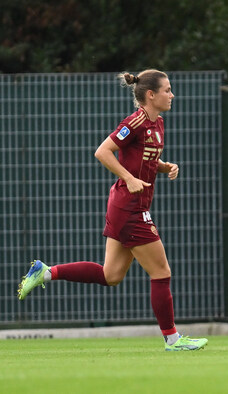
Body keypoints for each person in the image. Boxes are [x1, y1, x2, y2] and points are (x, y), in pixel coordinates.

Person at [17, 69, 208, 351]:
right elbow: (103, 151)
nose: (172, 94)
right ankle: (173, 340)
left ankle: (46, 272)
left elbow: (143, 156)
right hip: (130, 208)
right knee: (161, 271)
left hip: (127, 207)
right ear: (150, 95)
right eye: (167, 90)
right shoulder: (136, 121)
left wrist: (163, 165)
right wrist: (129, 178)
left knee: (111, 275)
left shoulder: (158, 123)